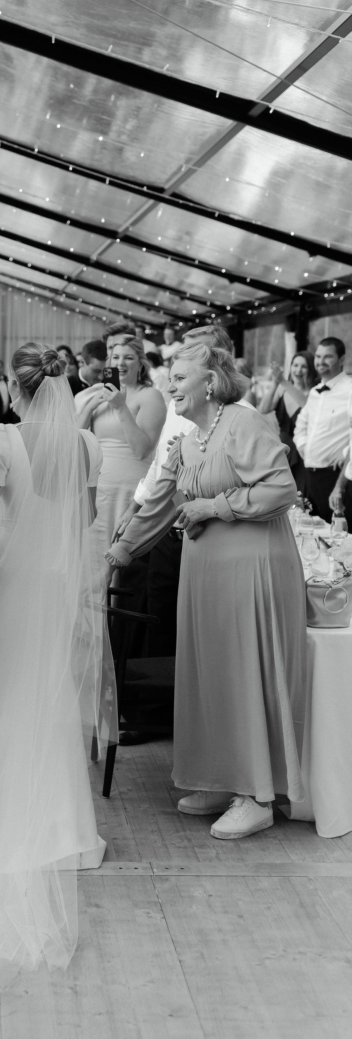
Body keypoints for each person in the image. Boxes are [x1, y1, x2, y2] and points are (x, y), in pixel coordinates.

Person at [0, 343, 115, 970]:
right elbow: (83, 518)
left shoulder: (0, 438)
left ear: (16, 385)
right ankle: (64, 829)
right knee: (47, 695)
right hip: (57, 583)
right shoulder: (87, 444)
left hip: (10, 580)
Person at [106, 344, 306, 841]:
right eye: (170, 377)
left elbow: (281, 489)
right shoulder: (189, 439)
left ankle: (258, 796)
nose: (170, 385)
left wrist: (214, 507)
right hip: (205, 576)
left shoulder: (244, 422)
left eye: (179, 377)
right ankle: (222, 779)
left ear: (211, 383)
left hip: (251, 571)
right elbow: (160, 503)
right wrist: (120, 551)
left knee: (244, 675)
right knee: (212, 675)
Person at [78, 337, 166, 552]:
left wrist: (120, 407)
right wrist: (90, 407)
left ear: (141, 363)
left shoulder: (150, 396)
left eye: (128, 357)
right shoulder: (97, 393)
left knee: (119, 555)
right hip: (97, 489)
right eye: (115, 357)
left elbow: (142, 450)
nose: (120, 363)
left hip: (128, 492)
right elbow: (76, 439)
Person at [293, 338, 352, 522]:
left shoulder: (350, 389)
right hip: (308, 475)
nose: (320, 361)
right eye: (318, 356)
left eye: (328, 357)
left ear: (341, 360)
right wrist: (304, 446)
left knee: (337, 533)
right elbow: (301, 424)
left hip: (335, 477)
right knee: (308, 530)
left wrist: (346, 453)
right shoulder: (314, 392)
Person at [258, 352, 316, 494]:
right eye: (295, 365)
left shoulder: (314, 392)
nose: (298, 370)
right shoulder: (282, 388)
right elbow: (263, 409)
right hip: (284, 449)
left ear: (310, 369)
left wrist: (283, 381)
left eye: (304, 366)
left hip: (304, 450)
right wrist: (275, 382)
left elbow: (306, 405)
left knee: (303, 491)